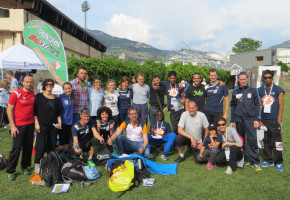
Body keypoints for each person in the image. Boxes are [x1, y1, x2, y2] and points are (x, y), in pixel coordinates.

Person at [6, 76, 35, 181]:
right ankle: (10, 170)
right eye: (27, 82)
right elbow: (9, 110)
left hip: (30, 124)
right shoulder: (16, 94)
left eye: (31, 82)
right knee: (16, 148)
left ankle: (24, 167)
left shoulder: (34, 94)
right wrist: (12, 126)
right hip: (18, 126)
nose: (29, 84)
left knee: (28, 148)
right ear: (23, 82)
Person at [230, 71, 261, 171]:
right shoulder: (235, 91)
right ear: (238, 80)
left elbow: (258, 105)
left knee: (252, 140)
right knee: (240, 140)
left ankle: (255, 161)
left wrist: (256, 119)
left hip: (250, 119)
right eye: (241, 79)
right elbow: (233, 106)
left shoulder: (253, 90)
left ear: (247, 79)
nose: (242, 81)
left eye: (244, 79)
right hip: (239, 119)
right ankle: (244, 159)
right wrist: (232, 120)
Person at [34, 79, 62, 173]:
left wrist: (59, 122)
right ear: (44, 85)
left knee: (52, 146)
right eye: (47, 84)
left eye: (51, 84)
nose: (49, 85)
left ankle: (50, 164)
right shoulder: (39, 97)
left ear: (53, 86)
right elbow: (35, 112)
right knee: (40, 146)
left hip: (53, 126)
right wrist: (36, 123)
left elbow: (58, 113)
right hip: (42, 125)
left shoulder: (56, 99)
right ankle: (37, 166)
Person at [258, 70, 284, 172]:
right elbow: (258, 106)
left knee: (277, 142)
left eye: (269, 77)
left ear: (272, 78)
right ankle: (268, 160)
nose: (267, 79)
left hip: (274, 120)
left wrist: (279, 119)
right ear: (263, 78)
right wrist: (260, 120)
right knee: (266, 142)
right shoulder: (260, 90)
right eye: (265, 77)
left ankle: (278, 162)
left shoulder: (278, 90)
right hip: (264, 120)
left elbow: (281, 106)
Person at [59, 82, 74, 150]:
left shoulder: (73, 97)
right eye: (66, 89)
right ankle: (60, 155)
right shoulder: (60, 97)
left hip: (70, 122)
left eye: (69, 88)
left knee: (67, 140)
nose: (68, 90)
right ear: (63, 89)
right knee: (62, 140)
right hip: (63, 122)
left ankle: (65, 155)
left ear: (71, 88)